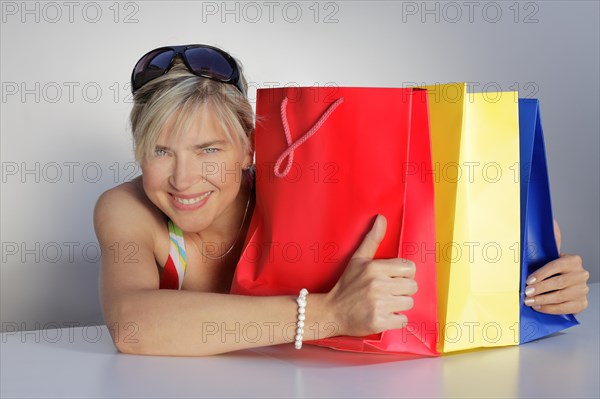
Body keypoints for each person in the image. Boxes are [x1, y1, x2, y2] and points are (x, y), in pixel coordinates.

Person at [94, 44, 590, 356]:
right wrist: (329, 316)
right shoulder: (128, 209)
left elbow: (457, 228)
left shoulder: (297, 189)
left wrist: (540, 278)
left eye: (208, 149)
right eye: (161, 150)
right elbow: (134, 328)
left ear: (250, 145)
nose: (183, 178)